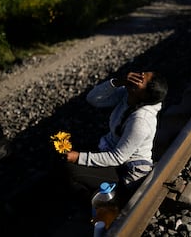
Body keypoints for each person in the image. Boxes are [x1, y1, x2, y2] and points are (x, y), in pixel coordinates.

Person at [65, 71, 168, 208]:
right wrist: (116, 82)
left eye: (141, 80)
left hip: (126, 170)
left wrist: (78, 157)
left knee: (71, 170)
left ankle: (104, 205)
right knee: (67, 149)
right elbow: (93, 99)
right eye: (141, 74)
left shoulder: (141, 121)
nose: (137, 77)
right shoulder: (128, 95)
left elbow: (117, 158)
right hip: (111, 151)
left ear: (144, 95)